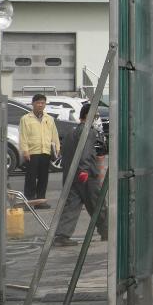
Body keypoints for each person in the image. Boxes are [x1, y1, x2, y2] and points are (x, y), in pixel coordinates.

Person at [54, 102, 108, 246]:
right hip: (87, 175)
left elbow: (64, 153)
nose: (96, 117)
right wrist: (84, 170)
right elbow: (86, 153)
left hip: (72, 175)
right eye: (95, 115)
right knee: (98, 203)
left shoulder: (71, 131)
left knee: (72, 204)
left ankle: (62, 235)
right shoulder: (88, 132)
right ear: (90, 116)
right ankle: (106, 231)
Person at [18, 93, 60, 206]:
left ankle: (41, 201)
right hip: (32, 152)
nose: (40, 105)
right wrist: (25, 150)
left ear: (45, 104)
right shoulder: (26, 119)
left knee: (43, 178)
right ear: (33, 104)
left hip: (45, 152)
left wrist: (57, 147)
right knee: (30, 178)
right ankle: (30, 201)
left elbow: (54, 134)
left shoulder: (49, 119)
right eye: (38, 103)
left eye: (43, 103)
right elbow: (23, 136)